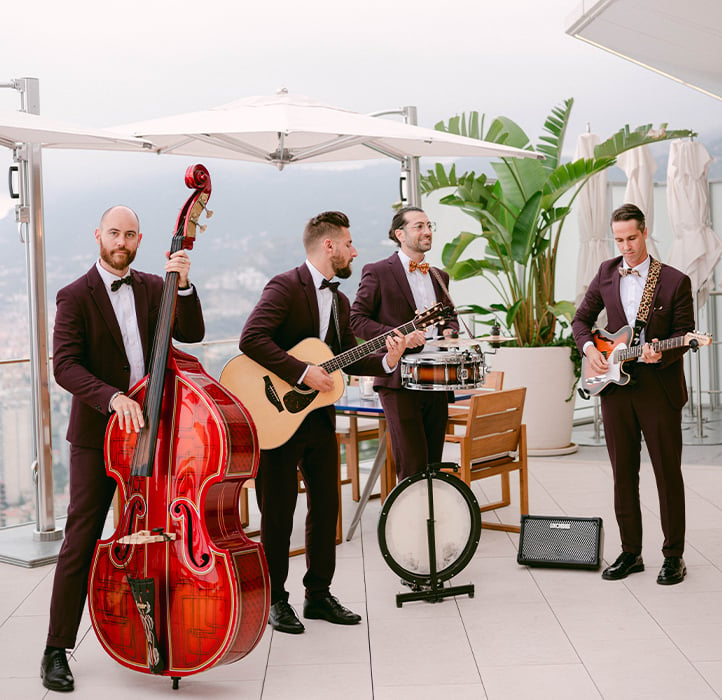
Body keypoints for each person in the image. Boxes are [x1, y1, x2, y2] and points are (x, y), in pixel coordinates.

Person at [41, 205, 205, 692]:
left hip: (157, 429)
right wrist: (111, 398)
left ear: (139, 239)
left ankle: (170, 628)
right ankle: (56, 647)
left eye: (130, 234)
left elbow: (191, 333)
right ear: (98, 235)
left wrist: (186, 285)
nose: (121, 241)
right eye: (113, 233)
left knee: (165, 529)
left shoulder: (155, 286)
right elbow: (64, 366)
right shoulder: (74, 295)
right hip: (98, 433)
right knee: (82, 535)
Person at [239, 211, 407, 635]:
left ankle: (318, 595)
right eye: (349, 243)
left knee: (327, 507)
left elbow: (347, 352)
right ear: (328, 246)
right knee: (278, 513)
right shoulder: (284, 285)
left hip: (317, 419)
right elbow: (251, 339)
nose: (355, 250)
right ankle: (275, 599)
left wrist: (389, 356)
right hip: (276, 417)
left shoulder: (340, 299)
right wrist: (301, 372)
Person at [572, 203, 694, 586]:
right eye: (619, 239)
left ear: (645, 232)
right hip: (615, 389)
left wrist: (662, 353)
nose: (625, 246)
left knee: (666, 475)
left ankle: (673, 556)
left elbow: (686, 333)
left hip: (658, 388)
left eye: (631, 238)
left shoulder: (675, 280)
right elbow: (580, 320)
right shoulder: (606, 272)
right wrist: (591, 351)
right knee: (623, 475)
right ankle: (631, 553)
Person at [350, 206, 458, 482]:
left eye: (429, 225)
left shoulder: (439, 276)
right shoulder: (377, 271)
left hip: (437, 379)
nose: (427, 231)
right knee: (411, 466)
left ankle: (431, 519)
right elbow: (356, 319)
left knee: (434, 462)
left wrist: (449, 332)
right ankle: (409, 522)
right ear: (400, 234)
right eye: (419, 226)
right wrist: (399, 336)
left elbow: (450, 317)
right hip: (398, 380)